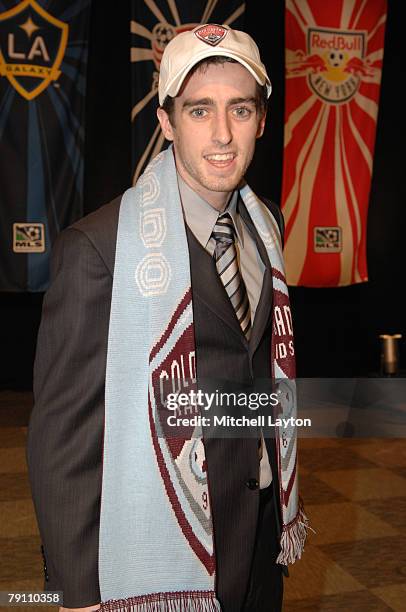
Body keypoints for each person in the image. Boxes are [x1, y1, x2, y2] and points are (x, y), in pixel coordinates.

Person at [27, 23, 308, 612]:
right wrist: (76, 594)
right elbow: (62, 440)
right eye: (200, 111)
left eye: (240, 109)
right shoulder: (100, 248)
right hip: (159, 555)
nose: (223, 134)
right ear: (166, 122)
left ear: (262, 118)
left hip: (259, 540)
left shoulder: (268, 226)